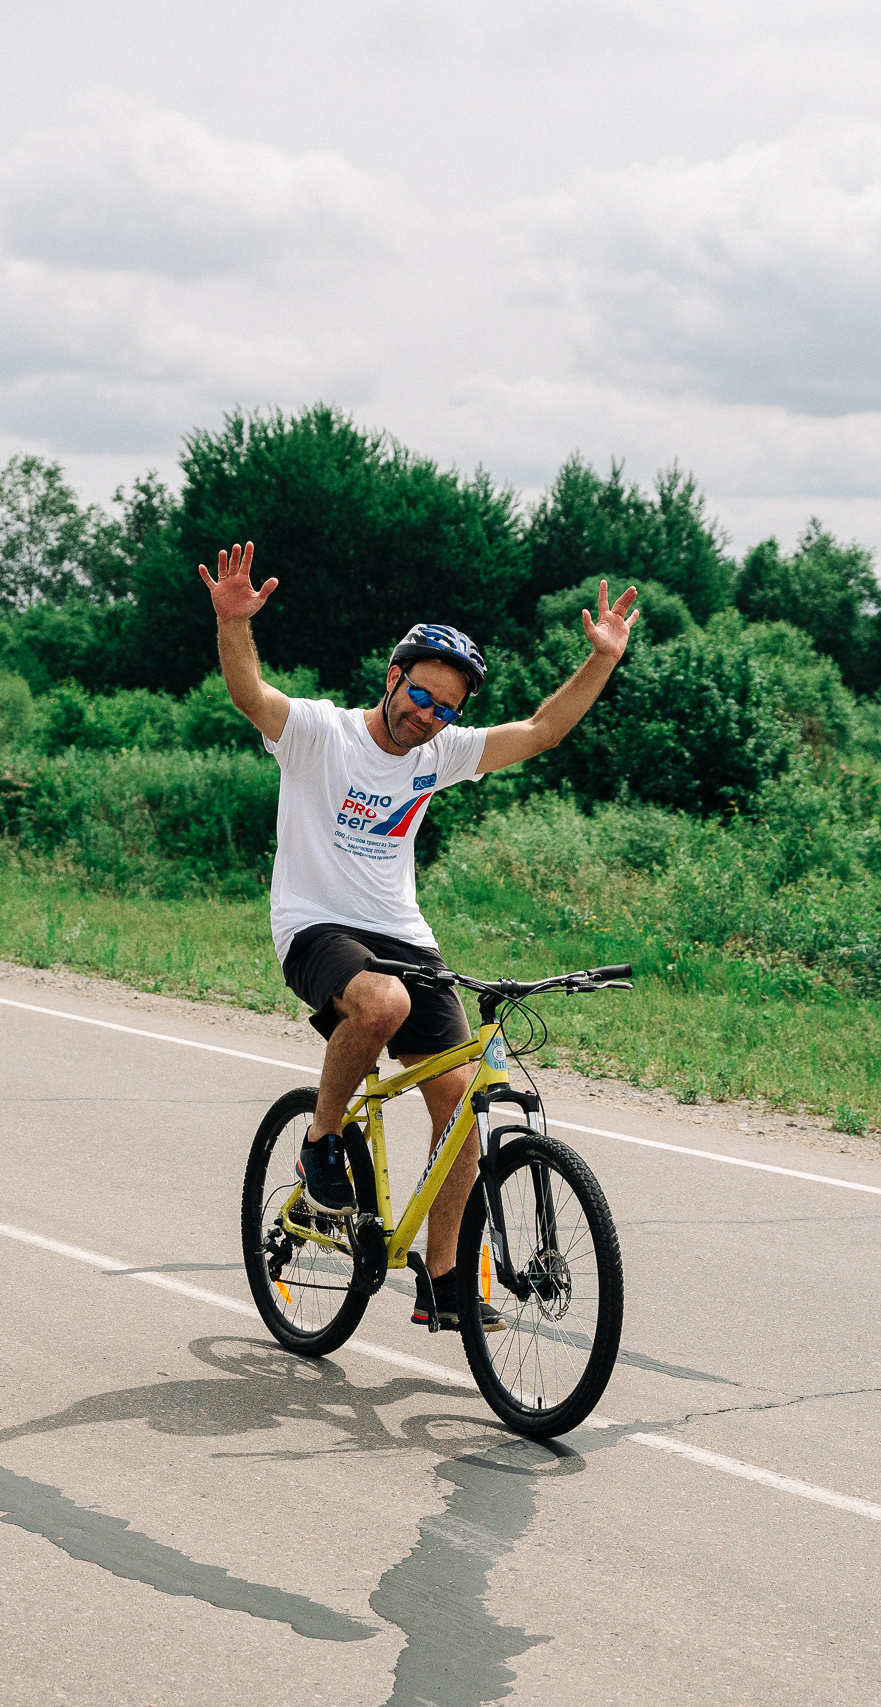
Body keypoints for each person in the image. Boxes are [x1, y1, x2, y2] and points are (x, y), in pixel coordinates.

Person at [201, 541, 638, 1330]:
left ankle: (442, 1282)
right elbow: (251, 694)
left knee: (463, 1104)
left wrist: (602, 659)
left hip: (403, 933)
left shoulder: (440, 753)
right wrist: (234, 623)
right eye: (421, 696)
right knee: (382, 1003)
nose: (427, 716)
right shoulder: (322, 734)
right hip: (316, 924)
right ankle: (322, 1142)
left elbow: (543, 730)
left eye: (445, 708)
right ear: (393, 676)